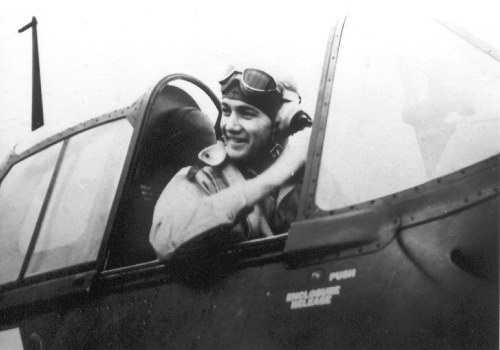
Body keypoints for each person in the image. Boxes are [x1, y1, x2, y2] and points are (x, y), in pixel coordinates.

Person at [149, 68, 311, 260]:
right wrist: (274, 177)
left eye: (247, 114)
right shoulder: (203, 178)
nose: (230, 126)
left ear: (281, 121)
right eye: (226, 111)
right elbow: (165, 240)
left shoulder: (310, 179)